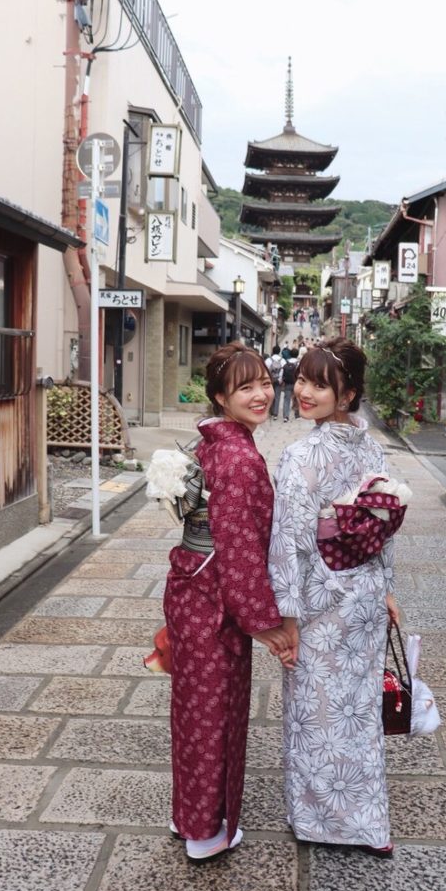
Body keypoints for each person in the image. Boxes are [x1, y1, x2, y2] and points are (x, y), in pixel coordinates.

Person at [268, 338, 404, 858]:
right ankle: (367, 822)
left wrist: (287, 616)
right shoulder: (372, 449)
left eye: (319, 383)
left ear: (347, 393)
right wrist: (386, 587)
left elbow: (291, 540)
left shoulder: (302, 454)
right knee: (358, 713)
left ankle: (319, 819)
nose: (303, 390)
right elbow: (384, 527)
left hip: (322, 599)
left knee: (314, 712)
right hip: (363, 595)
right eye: (302, 379)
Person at [163, 343, 295, 862]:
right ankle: (206, 833)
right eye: (245, 387)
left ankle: (188, 816)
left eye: (264, 382)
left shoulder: (215, 444)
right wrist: (267, 625)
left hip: (191, 588)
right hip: (216, 600)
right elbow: (239, 551)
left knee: (194, 712)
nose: (262, 394)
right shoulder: (239, 456)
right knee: (215, 716)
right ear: (220, 396)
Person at [266, 345, 285, 420]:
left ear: (273, 351)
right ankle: (275, 414)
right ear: (279, 351)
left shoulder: (268, 360)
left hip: (270, 380)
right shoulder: (282, 360)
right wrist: (281, 379)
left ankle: (270, 411)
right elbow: (284, 370)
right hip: (279, 380)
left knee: (270, 396)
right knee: (277, 397)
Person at [281, 348, 298, 422]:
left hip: (287, 383)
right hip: (296, 383)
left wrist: (281, 380)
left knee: (286, 399)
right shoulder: (298, 363)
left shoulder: (286, 362)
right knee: (297, 398)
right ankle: (297, 413)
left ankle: (286, 416)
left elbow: (282, 372)